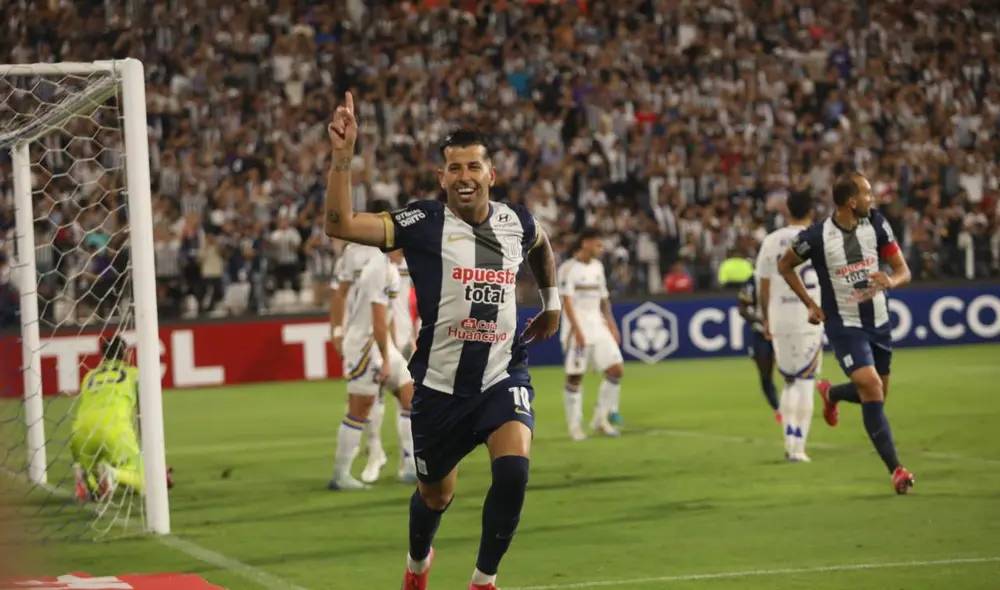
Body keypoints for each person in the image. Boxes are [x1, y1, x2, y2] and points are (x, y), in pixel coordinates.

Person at [323, 92, 561, 590]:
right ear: (442, 178)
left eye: (474, 166)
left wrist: (552, 301)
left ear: (491, 174)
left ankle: (483, 581)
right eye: (455, 168)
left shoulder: (516, 221)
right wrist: (343, 158)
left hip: (501, 376)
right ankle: (417, 565)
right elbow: (339, 224)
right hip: (439, 388)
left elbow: (542, 247)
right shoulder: (424, 223)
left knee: (514, 473)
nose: (465, 176)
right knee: (435, 496)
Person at [778, 172, 916, 494]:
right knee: (870, 386)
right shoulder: (816, 236)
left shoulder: (878, 225)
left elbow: (903, 271)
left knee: (878, 392)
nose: (872, 199)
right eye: (867, 193)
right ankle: (896, 469)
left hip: (878, 321)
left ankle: (833, 393)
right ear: (851, 201)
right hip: (844, 325)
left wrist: (890, 281)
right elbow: (785, 265)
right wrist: (810, 303)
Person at [329, 250, 417, 489]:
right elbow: (377, 319)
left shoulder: (388, 267)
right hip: (365, 345)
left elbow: (386, 316)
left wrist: (393, 350)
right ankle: (340, 474)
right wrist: (386, 359)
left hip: (381, 343)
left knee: (411, 396)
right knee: (360, 408)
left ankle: (410, 464)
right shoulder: (379, 269)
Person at [755, 192, 821, 462]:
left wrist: (766, 318)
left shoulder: (771, 241)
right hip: (809, 317)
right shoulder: (819, 237)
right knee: (806, 382)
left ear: (787, 211)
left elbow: (764, 284)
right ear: (811, 212)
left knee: (789, 381)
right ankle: (799, 447)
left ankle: (789, 440)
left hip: (779, 316)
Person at [71, 336, 173, 502]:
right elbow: (145, 417)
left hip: (80, 434)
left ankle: (86, 477)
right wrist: (153, 464)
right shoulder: (135, 374)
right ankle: (113, 474)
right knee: (148, 482)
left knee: (98, 475)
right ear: (127, 354)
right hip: (114, 431)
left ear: (102, 357)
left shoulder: (89, 376)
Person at [557, 227, 624, 440]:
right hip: (577, 329)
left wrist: (612, 325)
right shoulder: (568, 268)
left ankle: (600, 419)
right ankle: (575, 426)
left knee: (616, 369)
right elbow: (566, 301)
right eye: (598, 244)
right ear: (585, 243)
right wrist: (576, 331)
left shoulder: (598, 267)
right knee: (575, 377)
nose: (601, 248)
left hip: (598, 325)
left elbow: (603, 299)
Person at [736, 258, 780, 421]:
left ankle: (793, 405)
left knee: (791, 371)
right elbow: (742, 308)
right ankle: (779, 408)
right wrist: (761, 321)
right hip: (760, 333)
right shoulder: (753, 279)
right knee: (765, 374)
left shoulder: (783, 276)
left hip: (783, 331)